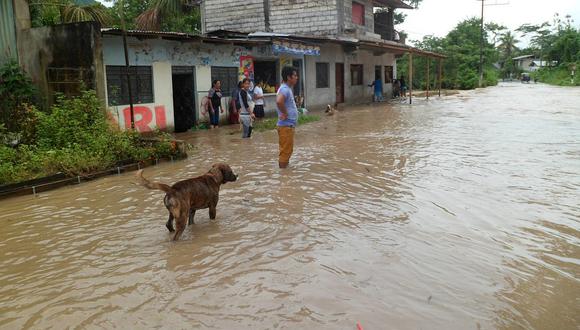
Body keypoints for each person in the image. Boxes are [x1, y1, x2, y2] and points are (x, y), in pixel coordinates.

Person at [276, 66, 299, 169]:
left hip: (287, 126)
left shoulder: (286, 88)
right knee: (285, 152)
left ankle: (285, 173)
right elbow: (279, 101)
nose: (296, 77)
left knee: (287, 151)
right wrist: (285, 113)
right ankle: (284, 177)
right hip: (286, 126)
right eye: (295, 75)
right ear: (289, 77)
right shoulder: (285, 89)